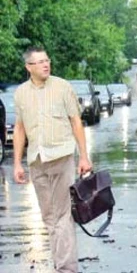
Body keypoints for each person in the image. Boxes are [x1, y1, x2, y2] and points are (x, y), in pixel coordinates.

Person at [13, 47, 92, 273]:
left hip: (61, 157)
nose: (45, 65)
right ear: (29, 67)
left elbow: (76, 122)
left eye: (47, 60)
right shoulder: (21, 93)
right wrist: (17, 163)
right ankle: (60, 262)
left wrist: (84, 157)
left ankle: (66, 268)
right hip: (37, 160)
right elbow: (20, 129)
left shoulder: (62, 87)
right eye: (39, 62)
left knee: (63, 215)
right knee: (49, 216)